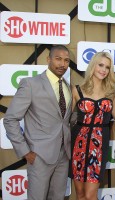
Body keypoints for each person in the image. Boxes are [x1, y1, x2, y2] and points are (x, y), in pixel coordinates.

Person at [4, 45, 72, 200]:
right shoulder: (30, 84)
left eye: (66, 60)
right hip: (39, 155)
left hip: (63, 155)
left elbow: (63, 120)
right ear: (48, 59)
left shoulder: (67, 86)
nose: (62, 64)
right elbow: (10, 119)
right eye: (58, 59)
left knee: (58, 197)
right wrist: (25, 151)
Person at [70, 52, 115, 200]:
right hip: (78, 144)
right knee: (80, 195)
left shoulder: (111, 92)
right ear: (93, 65)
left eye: (107, 67)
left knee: (91, 195)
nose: (103, 70)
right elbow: (65, 119)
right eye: (101, 65)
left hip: (98, 147)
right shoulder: (77, 90)